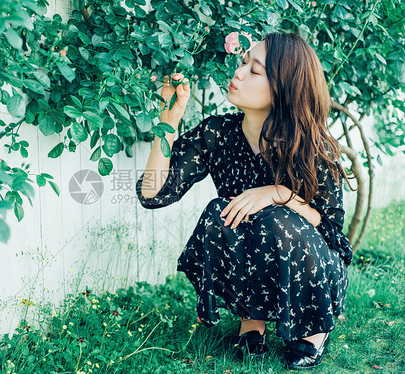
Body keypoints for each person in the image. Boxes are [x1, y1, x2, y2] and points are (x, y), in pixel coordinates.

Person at [135, 32, 354, 370]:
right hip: (256, 262)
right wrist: (168, 120)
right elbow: (152, 194)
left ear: (283, 86)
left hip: (317, 268)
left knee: (275, 217)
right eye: (242, 64)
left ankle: (313, 328)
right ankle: (252, 320)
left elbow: (330, 233)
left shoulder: (313, 146)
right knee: (218, 212)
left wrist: (279, 193)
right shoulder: (218, 133)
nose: (237, 74)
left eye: (254, 71)